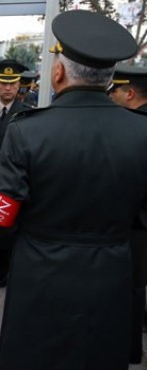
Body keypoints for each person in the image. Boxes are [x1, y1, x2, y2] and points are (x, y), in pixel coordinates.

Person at [0, 10, 144, 370]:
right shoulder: (141, 133)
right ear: (111, 78)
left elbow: (1, 219)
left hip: (41, 275)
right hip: (112, 274)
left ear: (59, 71)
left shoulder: (27, 131)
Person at [0, 59, 32, 288]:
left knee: (7, 228)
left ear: (19, 84)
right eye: (3, 83)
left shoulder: (27, 114)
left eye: (13, 83)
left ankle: (3, 272)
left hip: (11, 178)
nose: (8, 88)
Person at [107, 64, 147, 365]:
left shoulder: (132, 129)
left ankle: (128, 348)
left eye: (115, 91)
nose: (111, 97)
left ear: (130, 93)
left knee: (129, 289)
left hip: (134, 225)